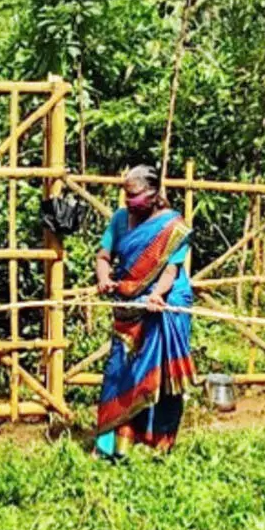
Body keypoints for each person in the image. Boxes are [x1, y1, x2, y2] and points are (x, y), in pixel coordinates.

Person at [92, 165, 196, 460]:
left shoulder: (172, 228)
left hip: (165, 301)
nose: (129, 202)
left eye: (135, 196)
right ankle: (114, 446)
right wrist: (103, 278)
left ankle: (157, 444)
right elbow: (103, 256)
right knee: (120, 369)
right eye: (126, 196)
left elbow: (171, 269)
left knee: (160, 372)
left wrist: (157, 295)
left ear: (153, 195)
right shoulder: (120, 219)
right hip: (128, 302)